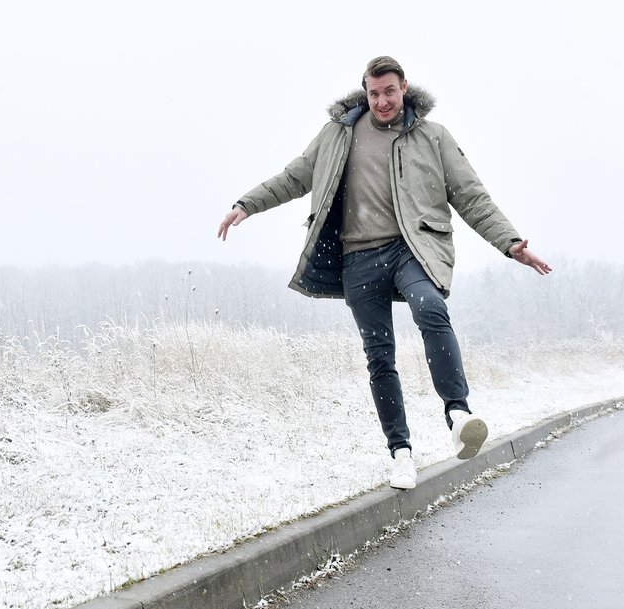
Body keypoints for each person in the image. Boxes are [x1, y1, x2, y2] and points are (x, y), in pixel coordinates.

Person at [217, 56, 551, 490]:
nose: (382, 101)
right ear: (365, 92)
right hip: (357, 258)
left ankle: (458, 413)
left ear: (404, 88)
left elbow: (471, 196)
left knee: (431, 307)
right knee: (380, 357)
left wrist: (509, 243)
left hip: (409, 248)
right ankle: (401, 453)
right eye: (374, 93)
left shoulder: (432, 137)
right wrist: (247, 204)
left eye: (389, 91)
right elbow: (294, 176)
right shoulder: (338, 135)